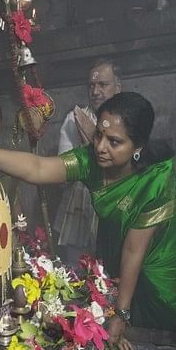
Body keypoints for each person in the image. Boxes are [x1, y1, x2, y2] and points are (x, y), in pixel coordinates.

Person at [0, 92, 176, 350]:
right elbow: (39, 168)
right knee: (114, 298)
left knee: (160, 316)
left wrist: (121, 314)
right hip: (119, 237)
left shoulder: (157, 180)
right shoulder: (92, 161)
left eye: (114, 141)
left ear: (137, 147)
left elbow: (134, 250)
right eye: (98, 135)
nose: (100, 147)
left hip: (163, 253)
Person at [54, 59, 122, 266]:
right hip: (80, 205)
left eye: (103, 84)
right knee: (78, 276)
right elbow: (62, 173)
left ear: (118, 87)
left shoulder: (129, 121)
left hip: (117, 200)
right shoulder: (73, 120)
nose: (96, 91)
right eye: (91, 86)